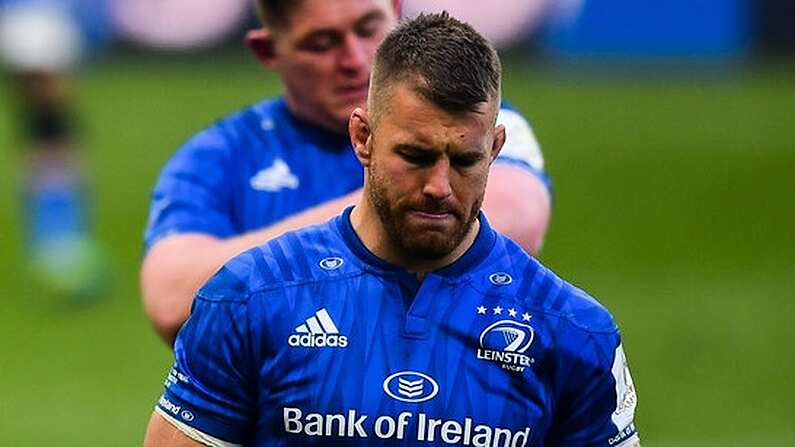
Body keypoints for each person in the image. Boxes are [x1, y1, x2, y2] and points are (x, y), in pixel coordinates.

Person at [143, 13, 639, 446]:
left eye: (465, 160)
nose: (440, 187)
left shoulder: (572, 332)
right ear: (363, 137)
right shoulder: (250, 300)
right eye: (416, 156)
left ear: (496, 148)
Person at [141, 0, 552, 344]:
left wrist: (271, 281)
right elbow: (171, 299)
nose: (356, 61)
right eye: (321, 44)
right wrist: (372, 222)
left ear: (395, 12)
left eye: (368, 29)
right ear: (269, 51)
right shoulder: (222, 154)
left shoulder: (467, 119)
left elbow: (517, 214)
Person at [0, 0, 111, 298]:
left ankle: (60, 241)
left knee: (52, 132)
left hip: (44, 19)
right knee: (48, 127)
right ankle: (58, 244)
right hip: (32, 20)